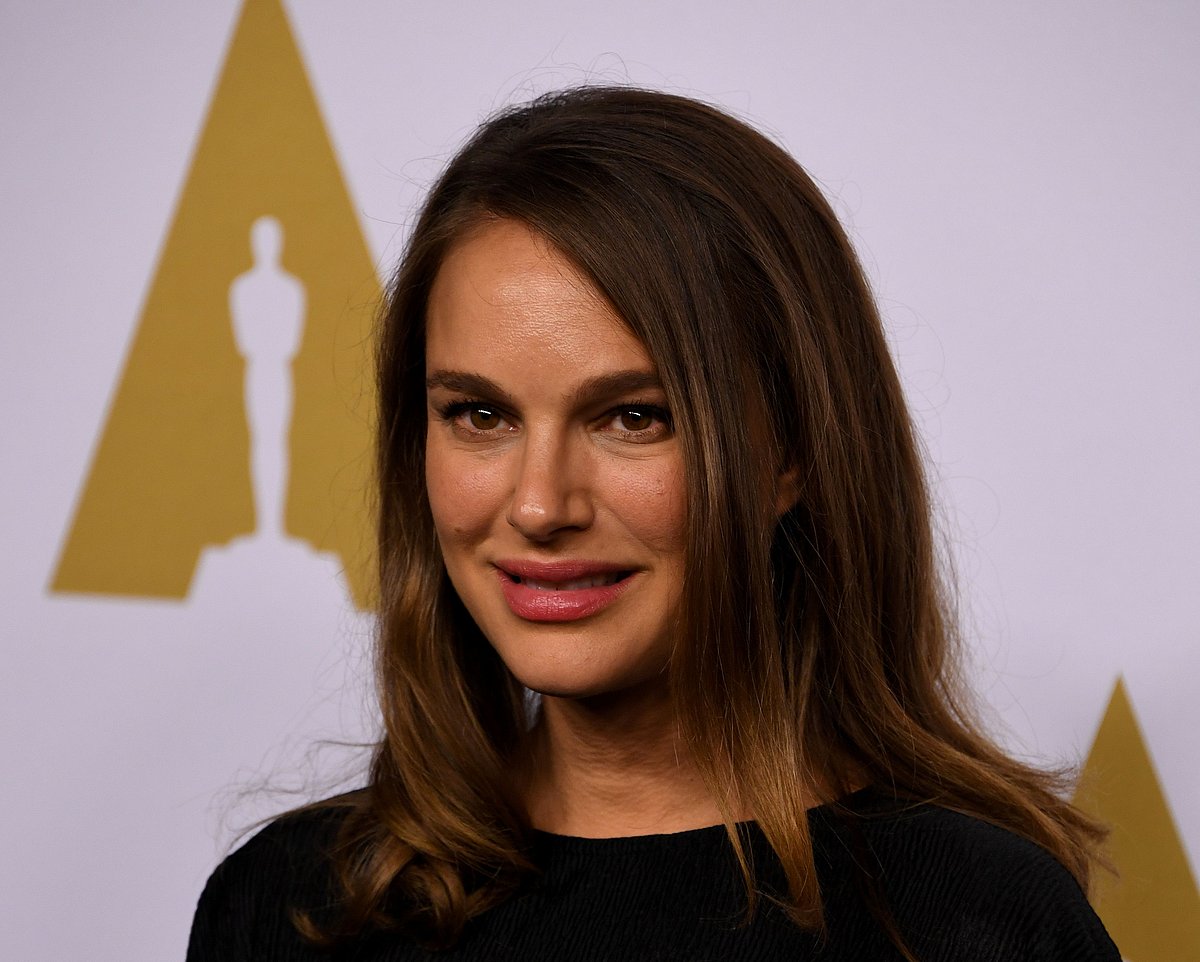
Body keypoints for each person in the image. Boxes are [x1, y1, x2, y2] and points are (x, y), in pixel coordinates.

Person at [186, 86, 1120, 961]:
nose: (541, 505)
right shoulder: (293, 907)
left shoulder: (978, 923)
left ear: (788, 452)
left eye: (635, 417)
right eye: (480, 414)